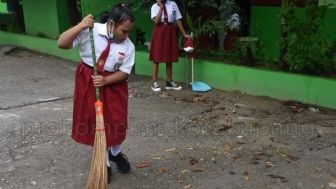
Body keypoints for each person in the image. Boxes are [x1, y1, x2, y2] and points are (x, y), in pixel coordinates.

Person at [57, 3, 135, 183]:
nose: (126, 35)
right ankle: (104, 160)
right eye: (124, 31)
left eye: (129, 31)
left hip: (114, 83)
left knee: (116, 120)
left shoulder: (128, 46)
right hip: (89, 80)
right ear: (112, 24)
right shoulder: (90, 30)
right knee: (96, 121)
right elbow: (62, 43)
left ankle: (115, 153)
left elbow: (124, 71)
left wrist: (106, 80)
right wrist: (81, 25)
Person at [149, 0, 190, 92]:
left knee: (169, 56)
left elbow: (178, 19)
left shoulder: (173, 4)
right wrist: (161, 7)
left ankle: (169, 81)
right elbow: (156, 21)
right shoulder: (154, 6)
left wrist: (184, 34)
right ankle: (154, 82)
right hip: (159, 30)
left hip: (170, 30)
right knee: (156, 56)